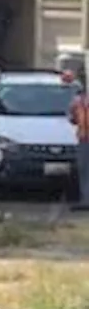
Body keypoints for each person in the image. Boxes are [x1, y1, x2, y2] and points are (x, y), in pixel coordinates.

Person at [68, 74, 89, 210]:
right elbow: (73, 118)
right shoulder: (78, 101)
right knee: (84, 170)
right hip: (84, 138)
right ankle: (86, 200)